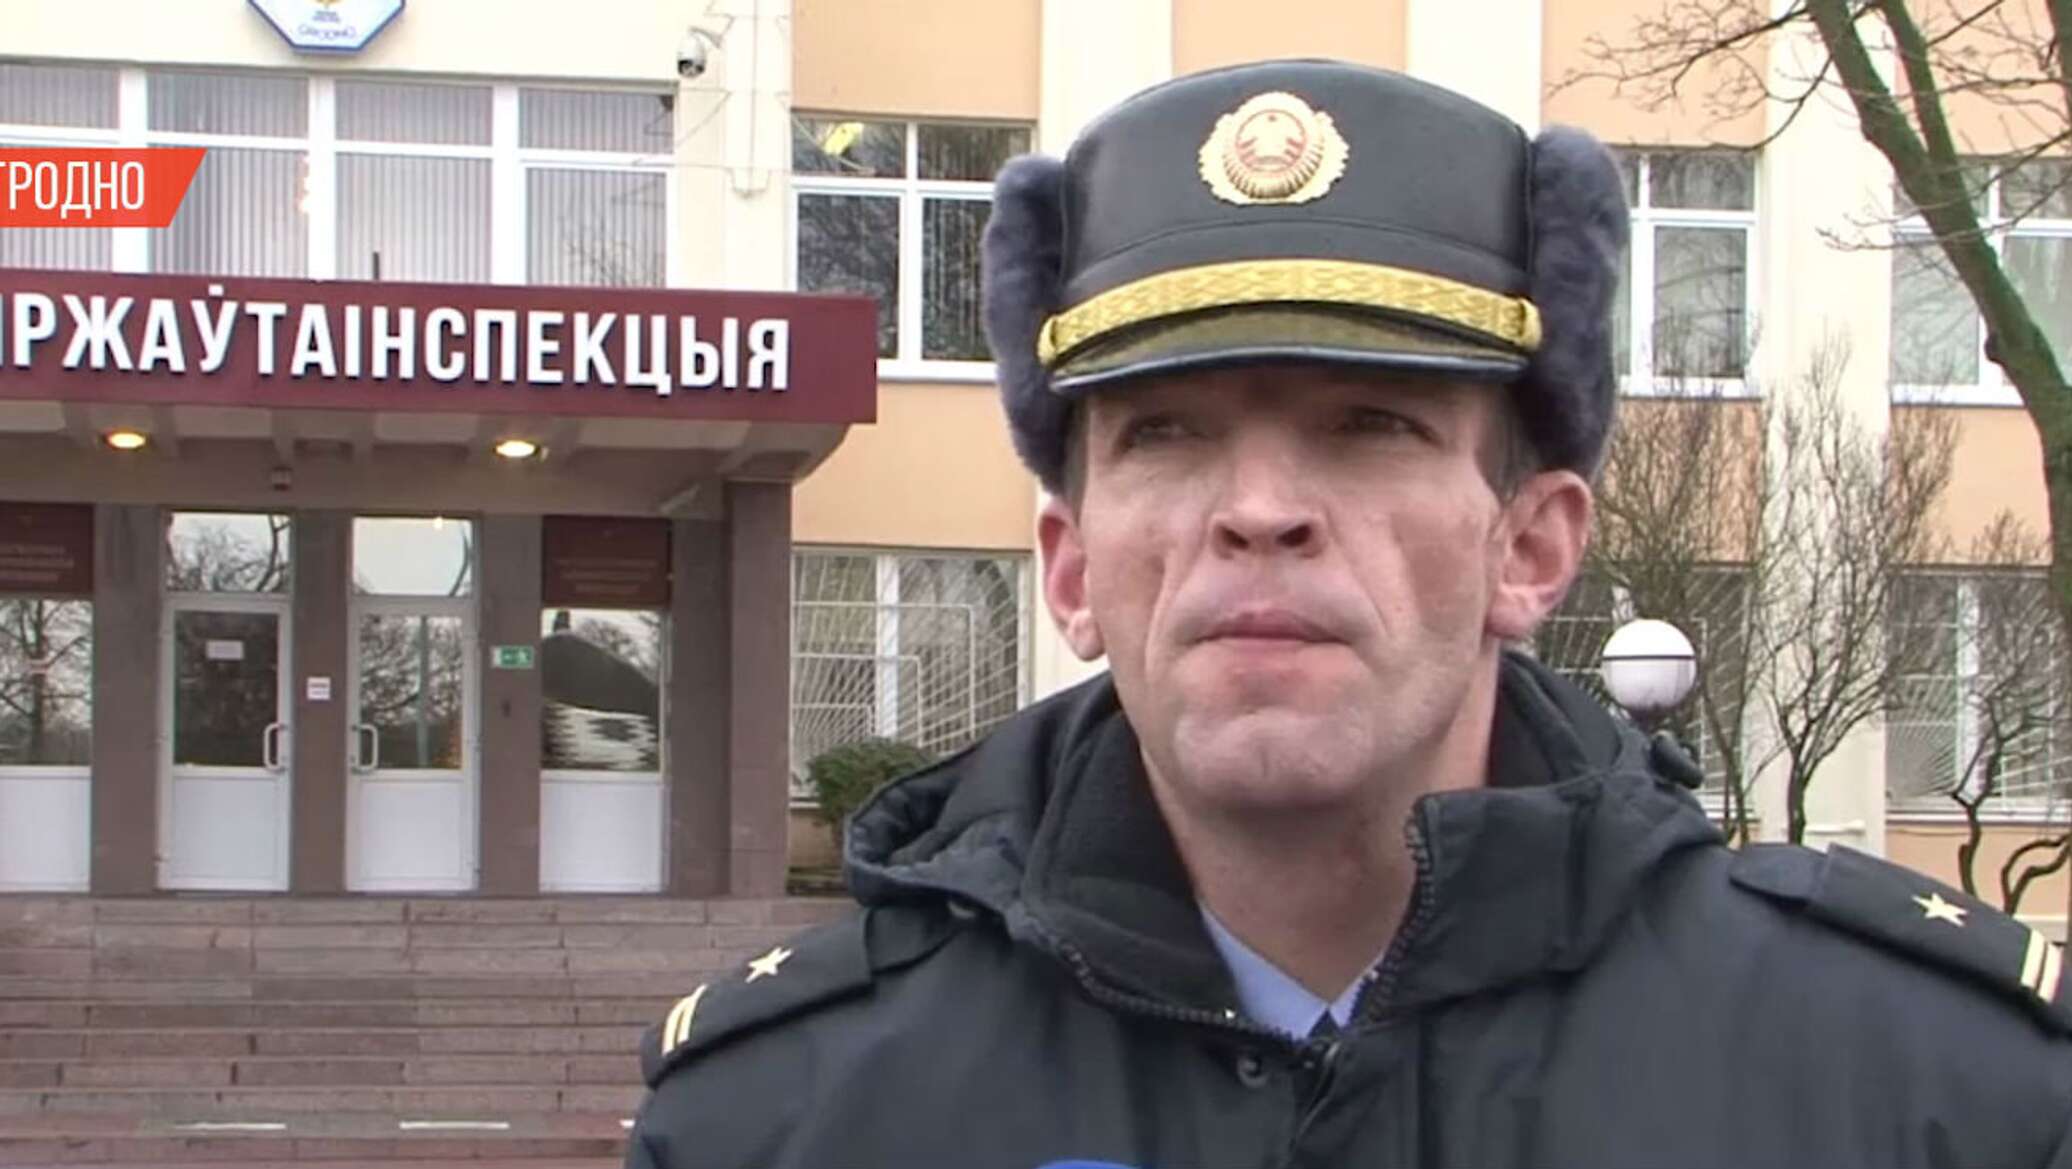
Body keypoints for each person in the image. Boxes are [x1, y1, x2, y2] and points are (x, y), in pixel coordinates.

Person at [625, 59, 2072, 1169]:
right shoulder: (781, 1117)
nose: (1261, 509)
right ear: (1071, 569)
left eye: (1371, 423)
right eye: (1167, 433)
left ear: (1532, 548)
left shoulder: (1935, 1091)